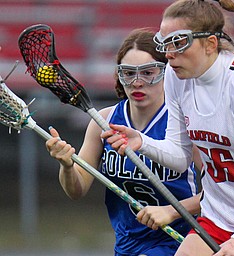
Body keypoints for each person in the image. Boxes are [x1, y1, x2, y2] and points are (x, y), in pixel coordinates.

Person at [103, 1, 234, 255]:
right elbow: (180, 157)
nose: (169, 54)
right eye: (164, 43)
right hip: (218, 217)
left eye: (178, 43)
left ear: (210, 44)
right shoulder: (175, 77)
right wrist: (142, 143)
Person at [45, 28, 201, 256]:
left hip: (181, 242)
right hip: (127, 245)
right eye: (128, 73)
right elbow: (77, 189)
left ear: (166, 73)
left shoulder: (184, 123)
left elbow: (221, 193)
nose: (137, 82)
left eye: (148, 72)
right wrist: (67, 165)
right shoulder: (104, 121)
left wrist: (172, 211)